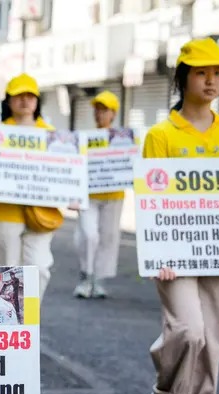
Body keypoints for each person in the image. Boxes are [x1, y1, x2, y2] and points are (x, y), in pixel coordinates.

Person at [141, 38, 219, 394]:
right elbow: (150, 202)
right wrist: (157, 255)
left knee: (211, 344)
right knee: (189, 331)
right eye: (202, 72)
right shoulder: (161, 135)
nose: (211, 81)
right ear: (183, 76)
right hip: (174, 255)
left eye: (218, 73)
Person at [0, 73, 61, 300]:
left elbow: (66, 176)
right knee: (6, 272)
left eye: (30, 95)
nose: (25, 101)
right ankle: (8, 329)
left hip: (42, 215)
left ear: (37, 100)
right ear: (9, 101)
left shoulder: (53, 136)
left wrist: (72, 196)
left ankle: (30, 321)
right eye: (19, 96)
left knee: (40, 268)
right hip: (4, 214)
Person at [74, 90, 123, 299]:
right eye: (97, 109)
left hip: (113, 196)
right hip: (89, 196)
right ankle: (86, 275)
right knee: (89, 235)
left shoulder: (122, 139)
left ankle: (99, 280)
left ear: (113, 113)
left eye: (104, 110)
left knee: (108, 238)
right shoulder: (85, 138)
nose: (99, 114)